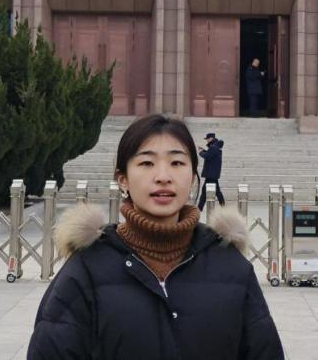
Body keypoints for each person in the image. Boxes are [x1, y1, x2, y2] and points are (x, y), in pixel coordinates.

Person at [27, 113, 284, 359]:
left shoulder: (232, 268)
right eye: (147, 163)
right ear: (123, 180)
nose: (163, 177)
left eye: (177, 163)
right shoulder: (86, 270)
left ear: (193, 179)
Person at [198, 132, 225, 210]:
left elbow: (207, 156)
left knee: (206, 191)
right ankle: (223, 206)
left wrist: (200, 152)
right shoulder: (215, 147)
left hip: (211, 174)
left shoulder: (213, 147)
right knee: (215, 191)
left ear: (211, 138)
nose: (207, 140)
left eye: (207, 139)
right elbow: (210, 155)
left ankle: (199, 208)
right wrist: (204, 150)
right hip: (212, 174)